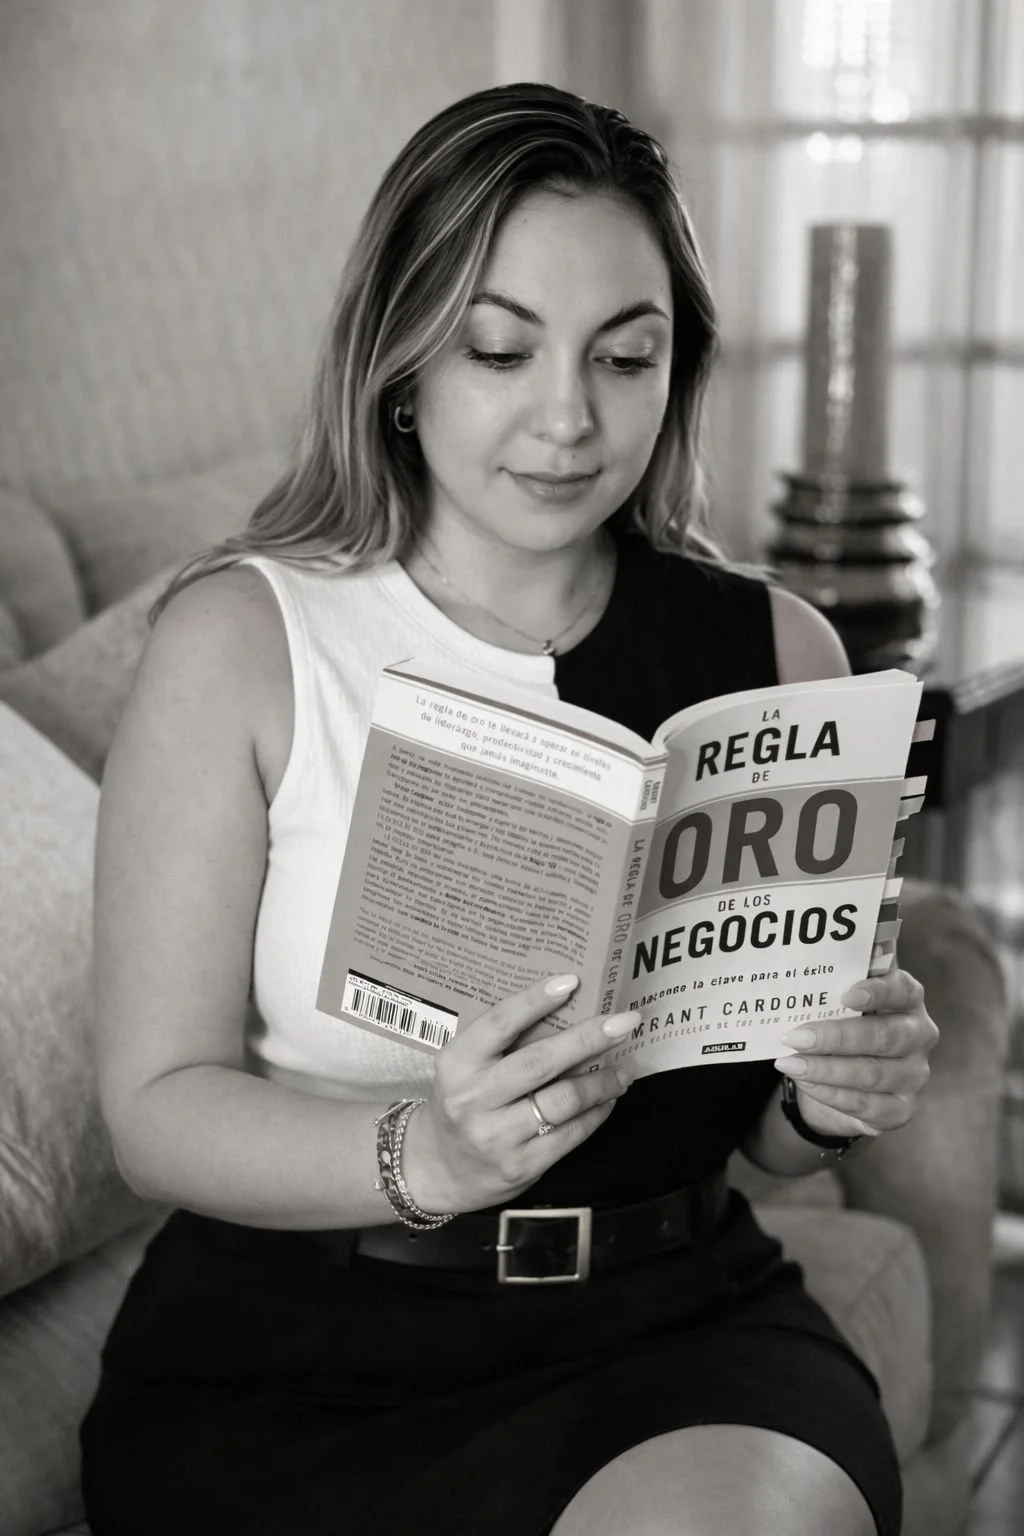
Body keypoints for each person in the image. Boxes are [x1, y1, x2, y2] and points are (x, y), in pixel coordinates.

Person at [80, 83, 938, 1536]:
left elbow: (765, 1139)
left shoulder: (781, 656)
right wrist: (426, 1152)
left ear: (680, 371)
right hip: (303, 1358)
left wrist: (830, 1096)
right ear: (404, 359)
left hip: (673, 1323)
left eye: (627, 356)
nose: (567, 418)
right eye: (500, 348)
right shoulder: (241, 642)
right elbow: (151, 1113)